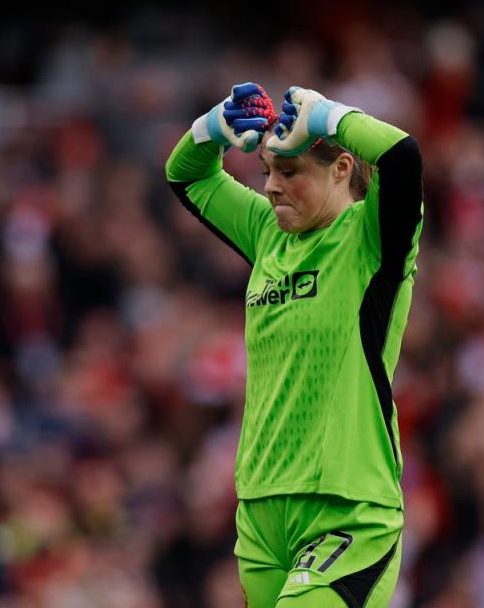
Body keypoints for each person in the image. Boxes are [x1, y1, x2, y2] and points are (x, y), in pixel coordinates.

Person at [165, 83, 423, 608]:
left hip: (346, 510)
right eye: (267, 172)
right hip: (262, 514)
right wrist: (214, 126)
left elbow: (402, 155)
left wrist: (329, 116)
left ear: (342, 168)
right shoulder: (268, 234)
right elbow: (186, 174)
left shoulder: (369, 236)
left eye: (289, 172)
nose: (272, 189)